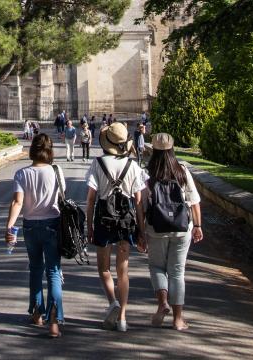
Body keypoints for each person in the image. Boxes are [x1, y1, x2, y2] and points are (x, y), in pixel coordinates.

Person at [85, 122, 147, 332]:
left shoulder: (98, 163)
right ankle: (122, 319)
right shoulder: (133, 166)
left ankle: (113, 302)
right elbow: (138, 202)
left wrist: (89, 226)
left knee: (103, 269)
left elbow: (91, 200)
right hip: (125, 221)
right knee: (123, 272)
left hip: (103, 218)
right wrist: (142, 230)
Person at [5, 134, 66, 338]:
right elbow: (62, 198)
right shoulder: (56, 171)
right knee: (53, 271)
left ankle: (37, 313)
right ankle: (55, 321)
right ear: (50, 151)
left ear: (32, 149)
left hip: (30, 225)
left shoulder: (22, 174)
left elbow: (17, 203)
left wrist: (10, 226)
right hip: (53, 224)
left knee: (35, 269)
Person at [142, 133, 203, 331]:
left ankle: (162, 303)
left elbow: (142, 206)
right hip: (181, 227)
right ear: (171, 149)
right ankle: (178, 319)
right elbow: (194, 202)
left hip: (156, 228)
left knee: (156, 267)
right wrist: (199, 226)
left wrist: (141, 231)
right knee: (177, 272)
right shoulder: (182, 171)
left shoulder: (147, 174)